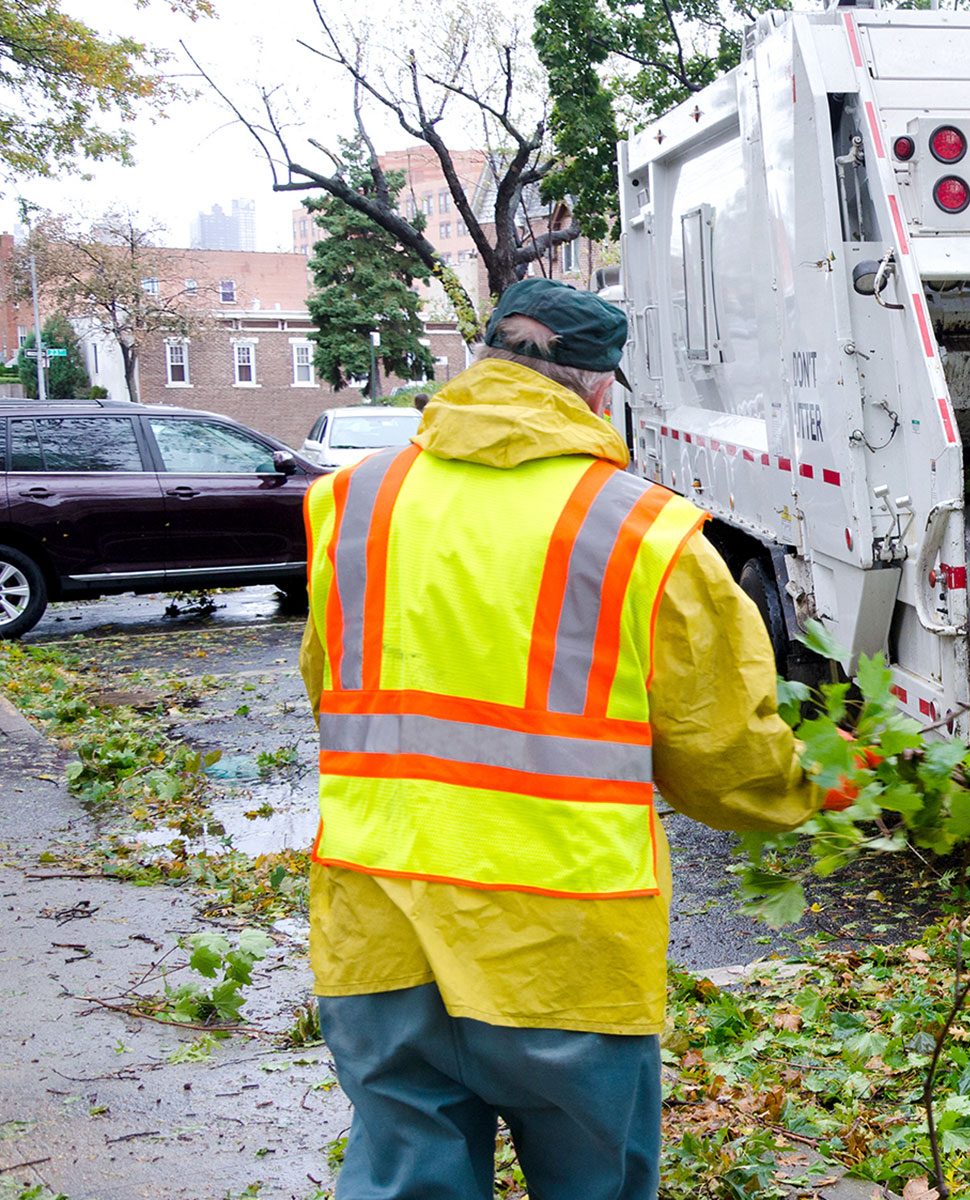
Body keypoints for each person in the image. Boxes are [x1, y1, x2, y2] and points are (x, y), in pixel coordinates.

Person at [298, 277, 836, 1200]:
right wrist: (822, 787)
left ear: (485, 361)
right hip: (565, 949)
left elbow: (329, 689)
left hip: (379, 928)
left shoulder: (353, 502)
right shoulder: (640, 531)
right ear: (597, 391)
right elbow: (727, 764)